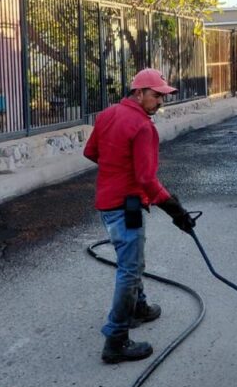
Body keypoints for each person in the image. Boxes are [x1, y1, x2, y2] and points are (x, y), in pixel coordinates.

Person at [83, 68, 197, 364]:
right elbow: (147, 179)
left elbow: (91, 152)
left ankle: (138, 307)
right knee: (130, 269)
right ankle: (116, 339)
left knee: (131, 260)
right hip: (126, 205)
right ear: (138, 92)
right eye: (156, 94)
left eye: (163, 96)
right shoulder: (143, 128)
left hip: (108, 202)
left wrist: (117, 169)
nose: (160, 101)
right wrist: (176, 210)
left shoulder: (107, 114)